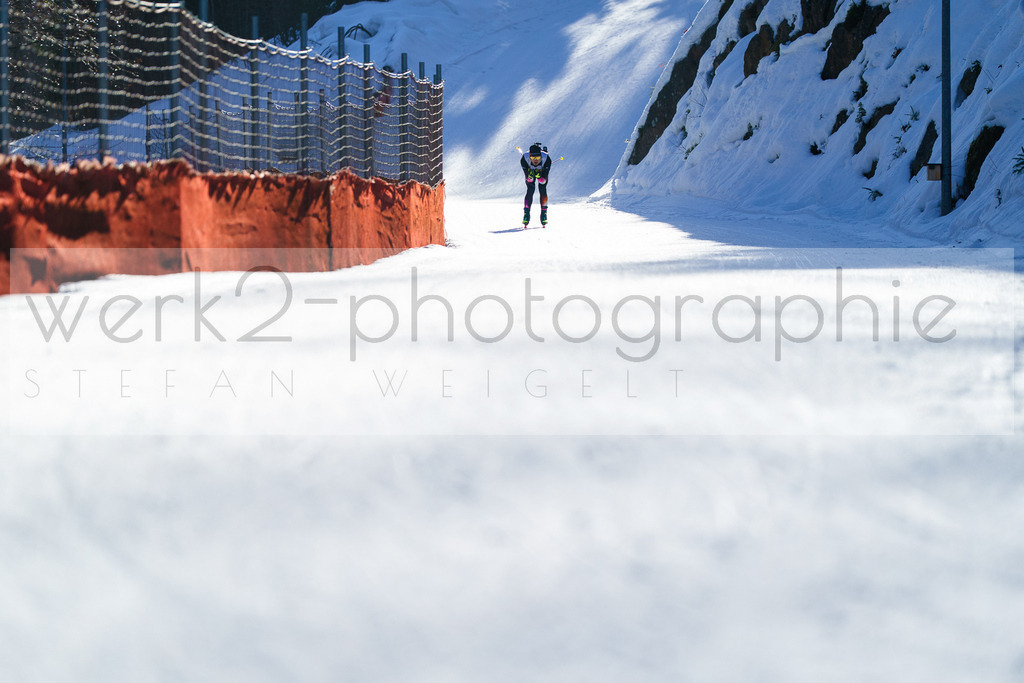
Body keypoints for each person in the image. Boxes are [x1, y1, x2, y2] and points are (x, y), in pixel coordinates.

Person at [520, 142, 552, 226]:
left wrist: (540, 177)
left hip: (542, 172)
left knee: (542, 189)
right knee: (530, 189)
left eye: (538, 157)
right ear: (529, 156)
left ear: (541, 156)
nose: (535, 160)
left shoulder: (546, 159)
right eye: (533, 157)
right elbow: (528, 179)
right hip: (530, 170)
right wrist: (530, 177)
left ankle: (544, 214)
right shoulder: (524, 159)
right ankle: (526, 214)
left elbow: (543, 181)